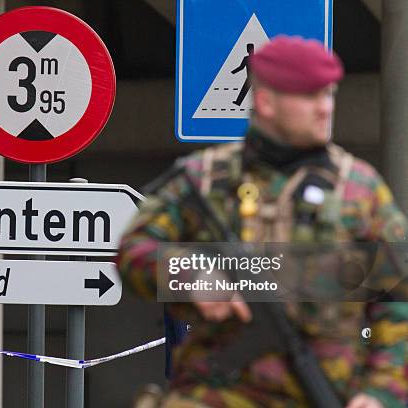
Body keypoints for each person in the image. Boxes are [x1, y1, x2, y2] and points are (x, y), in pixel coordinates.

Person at [116, 36, 407, 408]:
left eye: (329, 95)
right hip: (215, 392)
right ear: (267, 102)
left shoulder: (359, 190)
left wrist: (382, 391)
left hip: (323, 393)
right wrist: (191, 274)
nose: (326, 109)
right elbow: (132, 252)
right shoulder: (203, 179)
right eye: (311, 97)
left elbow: (398, 299)